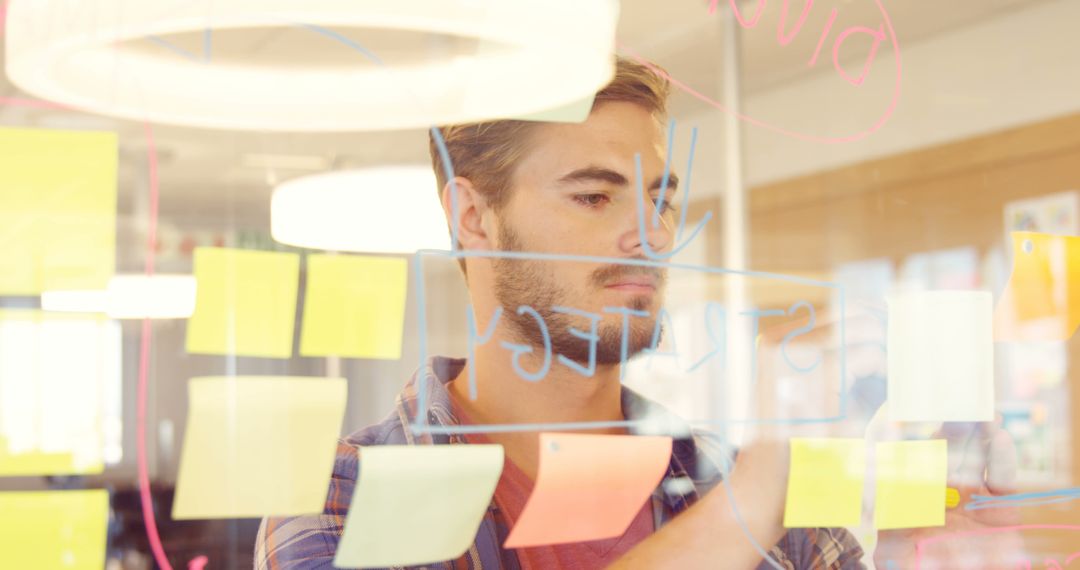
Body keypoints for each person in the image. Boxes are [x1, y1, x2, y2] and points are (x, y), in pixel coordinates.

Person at [256, 57, 1022, 569]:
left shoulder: (732, 484)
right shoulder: (344, 497)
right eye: (594, 196)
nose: (651, 235)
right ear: (473, 218)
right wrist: (747, 509)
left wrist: (928, 548)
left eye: (661, 201)